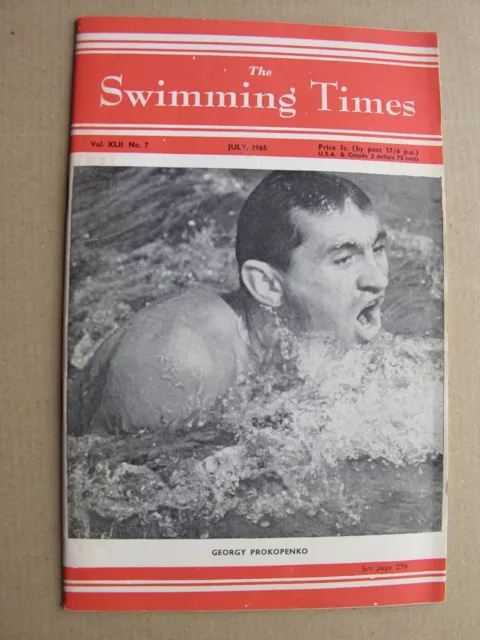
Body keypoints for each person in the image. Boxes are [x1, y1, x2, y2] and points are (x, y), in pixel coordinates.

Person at [70, 171, 389, 436]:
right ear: (267, 285)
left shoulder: (322, 336)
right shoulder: (176, 363)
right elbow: (103, 493)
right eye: (344, 259)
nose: (378, 279)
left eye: (376, 249)